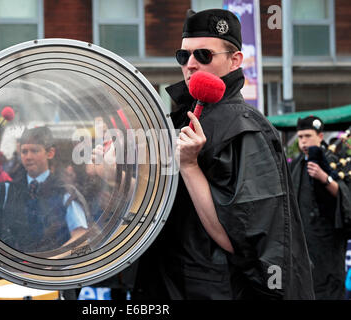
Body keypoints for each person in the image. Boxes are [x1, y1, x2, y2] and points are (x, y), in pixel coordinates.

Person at [133, 8, 314, 299]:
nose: (190, 64)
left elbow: (240, 239)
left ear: (235, 60)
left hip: (216, 290)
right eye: (184, 56)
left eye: (203, 55)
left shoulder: (245, 129)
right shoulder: (180, 119)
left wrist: (190, 166)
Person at [0, 125, 88, 253]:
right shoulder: (8, 189)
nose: (28, 156)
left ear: (50, 153)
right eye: (24, 151)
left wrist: (52, 262)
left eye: (34, 151)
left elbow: (82, 239)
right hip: (13, 269)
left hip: (54, 271)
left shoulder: (65, 192)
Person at [290, 116, 351, 300]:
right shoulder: (296, 164)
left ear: (321, 136)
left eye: (308, 136)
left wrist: (325, 178)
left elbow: (345, 194)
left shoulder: (334, 160)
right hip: (303, 242)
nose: (304, 141)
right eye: (300, 137)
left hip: (328, 243)